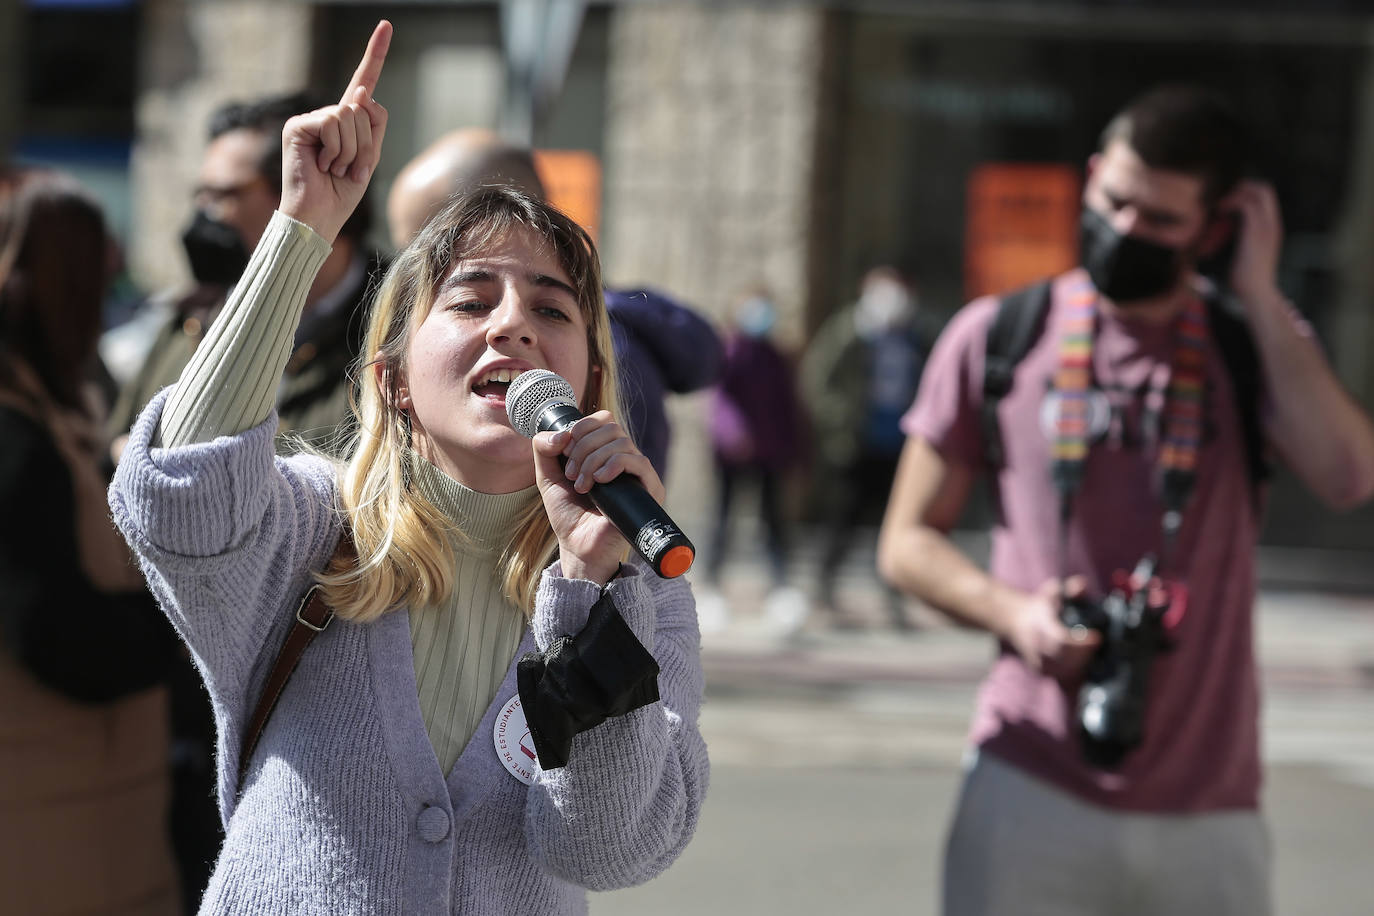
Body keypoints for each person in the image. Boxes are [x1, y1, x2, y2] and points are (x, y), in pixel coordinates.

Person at [109, 22, 707, 913]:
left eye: (551, 308)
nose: (513, 325)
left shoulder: (636, 578)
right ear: (391, 380)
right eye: (471, 299)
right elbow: (182, 494)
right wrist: (299, 231)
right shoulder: (313, 529)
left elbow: (610, 850)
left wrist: (588, 588)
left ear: (587, 379)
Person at [877, 86, 1374, 916]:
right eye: (1116, 201)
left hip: (1210, 803)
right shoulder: (998, 335)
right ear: (1094, 175)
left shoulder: (1250, 349)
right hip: (1029, 775)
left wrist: (1256, 288)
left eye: (1164, 220)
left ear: (1215, 228)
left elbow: (1349, 476)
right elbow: (905, 543)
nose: (1129, 231)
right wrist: (1015, 615)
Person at [0, 166, 181, 914]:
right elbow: (63, 638)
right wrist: (192, 603)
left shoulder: (56, 403)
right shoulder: (17, 432)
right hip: (50, 818)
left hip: (88, 803)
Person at [387, 127, 723, 479]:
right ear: (393, 379)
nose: (510, 324)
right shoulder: (335, 509)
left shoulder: (607, 355)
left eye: (428, 242)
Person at [109, 89, 385, 456]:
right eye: (201, 196)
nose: (206, 216)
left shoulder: (397, 325)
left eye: (224, 195)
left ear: (310, 189)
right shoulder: (192, 318)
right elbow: (114, 445)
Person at [802, 265, 928, 629]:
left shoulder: (915, 336)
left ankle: (893, 600)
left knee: (895, 526)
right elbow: (817, 380)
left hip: (900, 446)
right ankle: (823, 591)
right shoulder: (850, 331)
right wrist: (841, 423)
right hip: (856, 446)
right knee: (844, 521)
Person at [700, 289, 808, 633]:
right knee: (723, 520)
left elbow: (787, 406)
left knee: (774, 523)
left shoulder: (775, 356)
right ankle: (712, 585)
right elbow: (720, 401)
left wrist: (794, 450)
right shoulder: (729, 351)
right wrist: (732, 436)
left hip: (770, 454)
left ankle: (780, 588)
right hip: (733, 454)